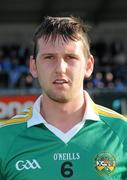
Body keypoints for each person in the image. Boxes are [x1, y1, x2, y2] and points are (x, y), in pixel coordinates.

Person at [0, 16, 127, 180]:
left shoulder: (122, 133)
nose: (60, 68)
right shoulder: (4, 139)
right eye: (49, 57)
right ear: (33, 66)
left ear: (88, 66)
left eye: (70, 57)